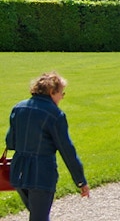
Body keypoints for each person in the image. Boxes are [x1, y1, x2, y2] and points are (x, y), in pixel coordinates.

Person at [5, 72, 89, 221]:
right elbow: (67, 150)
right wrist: (80, 180)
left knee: (37, 216)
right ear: (52, 91)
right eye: (61, 93)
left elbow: (10, 141)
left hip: (18, 172)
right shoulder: (55, 115)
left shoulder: (18, 108)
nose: (62, 97)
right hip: (41, 173)